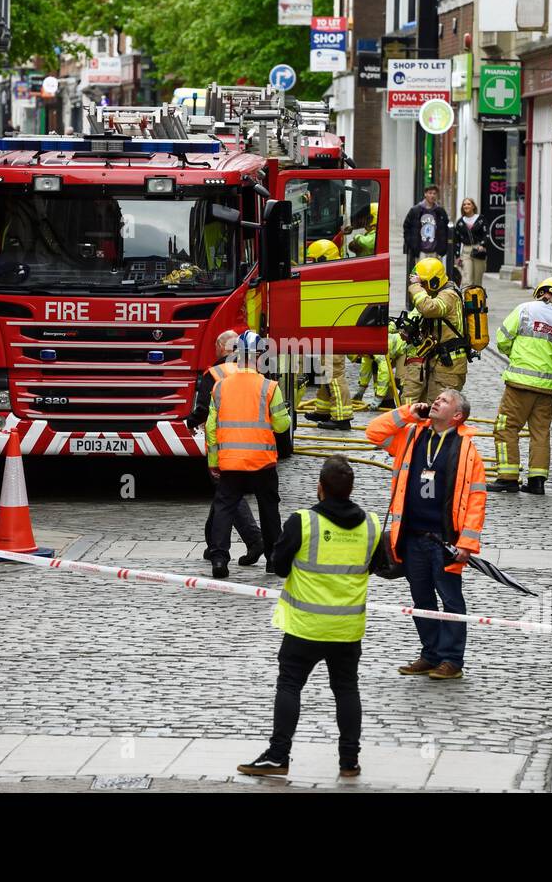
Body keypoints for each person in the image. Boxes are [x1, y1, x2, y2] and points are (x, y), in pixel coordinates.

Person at [236, 456, 394, 778]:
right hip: (347, 630)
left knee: (290, 685)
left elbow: (279, 566)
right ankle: (349, 761)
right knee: (347, 689)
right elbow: (383, 568)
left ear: (320, 487)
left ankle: (279, 756)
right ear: (351, 489)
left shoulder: (303, 522)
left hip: (305, 627)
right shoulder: (372, 525)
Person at [366, 389, 485, 681]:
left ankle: (452, 660)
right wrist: (407, 412)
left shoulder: (467, 450)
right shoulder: (412, 436)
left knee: (451, 600)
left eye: (444, 401)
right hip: (411, 536)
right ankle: (430, 654)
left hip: (445, 541)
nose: (436, 402)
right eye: (437, 399)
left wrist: (466, 545)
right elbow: (373, 433)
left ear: (457, 415)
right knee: (421, 599)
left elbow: (476, 500)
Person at [204, 330, 291, 579]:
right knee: (269, 509)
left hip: (230, 463)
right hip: (262, 463)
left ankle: (219, 559)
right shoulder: (269, 387)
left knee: (224, 508)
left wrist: (214, 462)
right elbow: (282, 426)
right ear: (258, 356)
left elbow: (211, 428)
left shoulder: (220, 387)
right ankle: (273, 560)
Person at [186, 330, 264, 567]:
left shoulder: (215, 373)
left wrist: (190, 421)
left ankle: (254, 538)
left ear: (221, 348)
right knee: (224, 495)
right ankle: (214, 544)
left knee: (228, 494)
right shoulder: (250, 371)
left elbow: (204, 411)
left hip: (224, 444)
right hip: (255, 445)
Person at [490, 278, 552, 495]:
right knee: (540, 433)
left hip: (519, 384)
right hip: (546, 388)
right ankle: (537, 482)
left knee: (506, 428)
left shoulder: (524, 309)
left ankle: (507, 477)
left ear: (539, 291)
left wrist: (515, 355)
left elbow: (503, 338)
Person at [403, 257, 468, 403]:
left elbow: (429, 308)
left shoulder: (449, 295)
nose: (423, 287)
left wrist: (415, 287)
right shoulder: (438, 293)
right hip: (440, 363)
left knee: (440, 411)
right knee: (429, 407)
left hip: (449, 368)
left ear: (434, 281)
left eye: (424, 283)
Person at [304, 239, 353, 431]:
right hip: (327, 334)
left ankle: (342, 418)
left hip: (335, 335)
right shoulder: (333, 276)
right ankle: (323, 411)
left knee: (334, 375)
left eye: (314, 261)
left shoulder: (336, 279)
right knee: (325, 373)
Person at [402, 184, 450, 283]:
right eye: (430, 193)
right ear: (425, 194)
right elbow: (406, 227)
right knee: (420, 278)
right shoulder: (415, 210)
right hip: (421, 251)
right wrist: (412, 244)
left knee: (435, 278)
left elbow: (445, 229)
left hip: (435, 251)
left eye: (434, 193)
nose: (432, 195)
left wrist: (442, 248)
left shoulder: (440, 211)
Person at [453, 197, 487, 287]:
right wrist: (457, 256)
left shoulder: (481, 219)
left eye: (468, 204)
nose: (466, 206)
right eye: (464, 204)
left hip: (478, 250)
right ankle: (466, 300)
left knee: (477, 281)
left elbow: (486, 234)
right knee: (467, 280)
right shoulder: (460, 222)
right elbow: (457, 241)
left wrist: (482, 245)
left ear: (473, 206)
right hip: (466, 251)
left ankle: (478, 300)